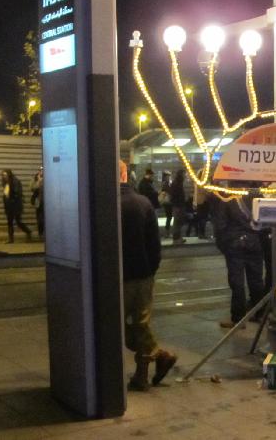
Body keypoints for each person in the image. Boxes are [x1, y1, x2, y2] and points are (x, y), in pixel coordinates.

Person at [119, 160, 177, 391]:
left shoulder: (105, 203)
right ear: (126, 175)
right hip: (143, 275)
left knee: (118, 325)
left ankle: (158, 355)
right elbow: (155, 244)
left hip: (119, 277)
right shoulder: (143, 203)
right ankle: (142, 375)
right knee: (141, 324)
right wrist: (150, 270)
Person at [214, 189, 265, 328]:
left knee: (237, 282)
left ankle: (238, 318)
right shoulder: (258, 195)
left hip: (235, 245)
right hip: (255, 243)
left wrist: (223, 245)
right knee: (256, 280)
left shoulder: (228, 197)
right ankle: (259, 314)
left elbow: (220, 225)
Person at [1, 169, 32, 243]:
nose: (4, 177)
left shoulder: (15, 181)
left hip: (15, 205)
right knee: (10, 222)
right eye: (3, 175)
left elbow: (17, 193)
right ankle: (11, 239)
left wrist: (12, 199)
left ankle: (28, 231)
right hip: (9, 205)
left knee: (18, 222)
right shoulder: (6, 183)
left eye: (5, 175)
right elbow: (6, 193)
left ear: (9, 175)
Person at [169, 168, 186, 244]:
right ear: (181, 174)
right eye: (184, 174)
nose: (185, 175)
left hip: (179, 205)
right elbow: (174, 195)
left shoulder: (178, 182)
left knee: (179, 222)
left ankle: (178, 237)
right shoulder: (176, 183)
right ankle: (176, 238)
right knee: (177, 222)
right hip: (178, 205)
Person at [30, 168, 45, 238]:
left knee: (46, 218)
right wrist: (38, 182)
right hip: (38, 202)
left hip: (46, 202)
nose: (41, 172)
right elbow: (31, 188)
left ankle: (45, 233)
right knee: (39, 219)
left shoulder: (49, 178)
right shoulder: (35, 179)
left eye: (42, 170)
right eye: (40, 170)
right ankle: (40, 233)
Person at [159, 171, 173, 238]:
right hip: (168, 202)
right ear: (165, 177)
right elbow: (168, 191)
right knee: (169, 217)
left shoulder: (166, 183)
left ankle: (167, 232)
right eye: (168, 176)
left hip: (167, 202)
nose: (169, 177)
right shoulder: (166, 184)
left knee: (169, 217)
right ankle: (167, 233)